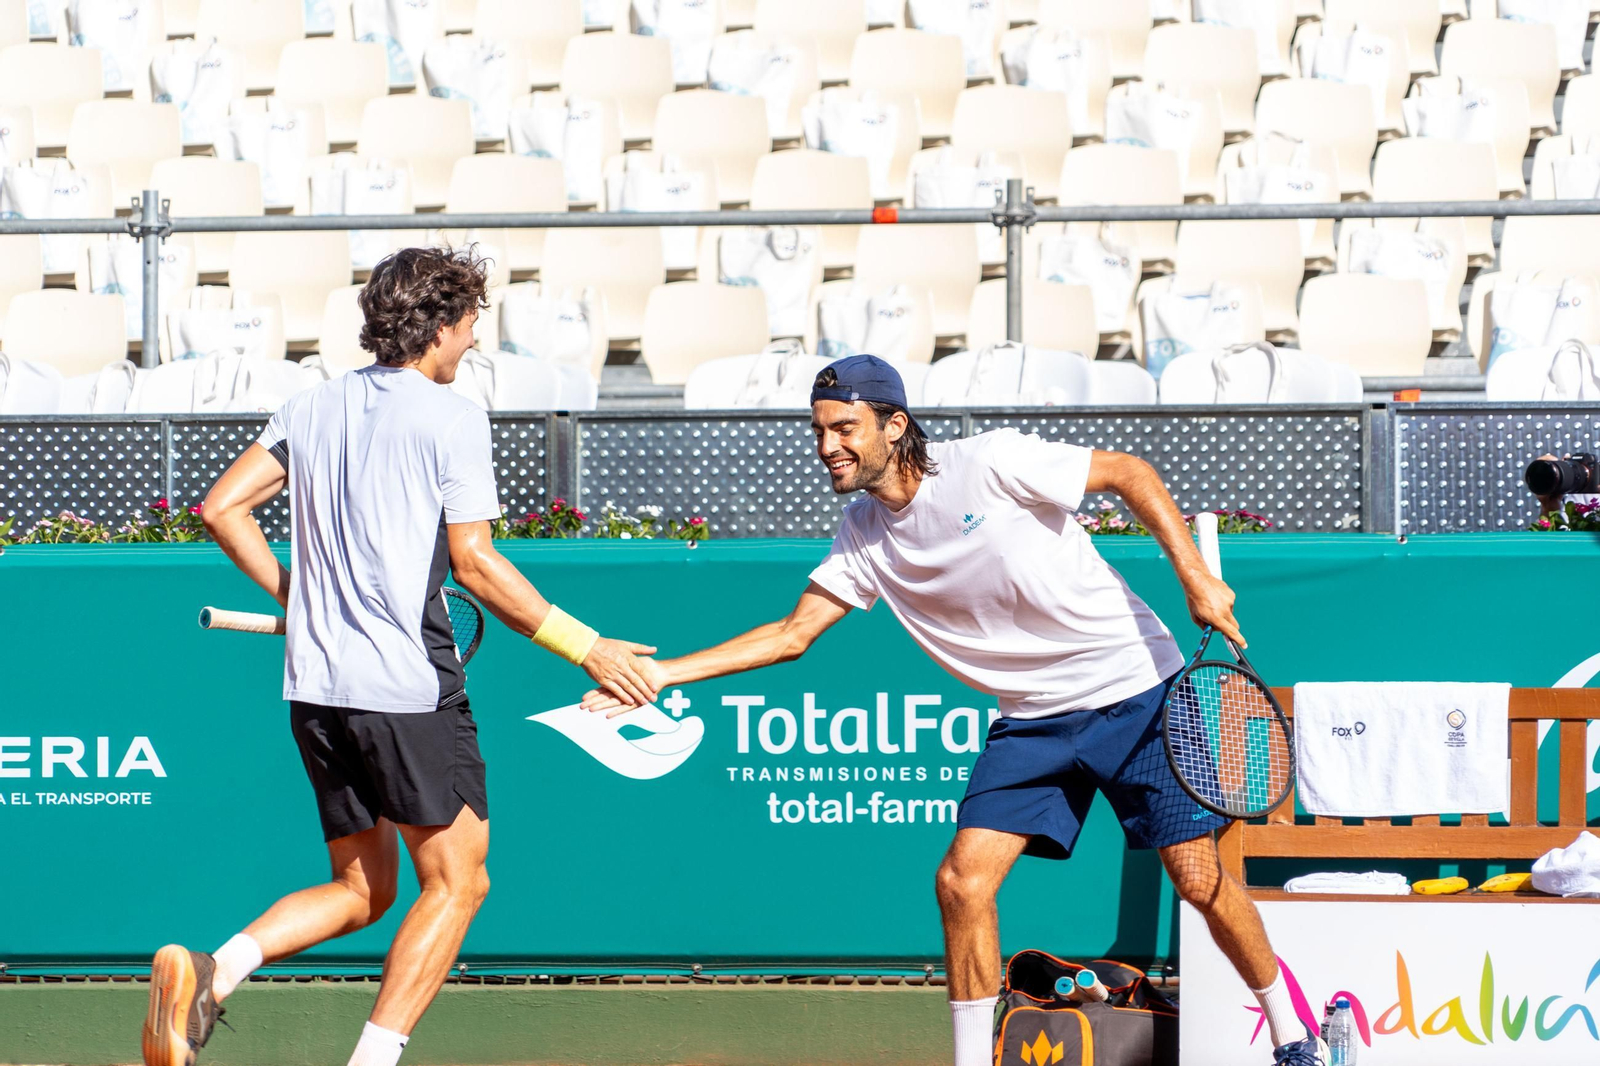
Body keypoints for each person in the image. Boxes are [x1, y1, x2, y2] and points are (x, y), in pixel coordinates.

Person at [582, 355, 1328, 1066]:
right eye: (818, 431)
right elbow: (791, 634)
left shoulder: (990, 461)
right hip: (1032, 720)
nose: (827, 446)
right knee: (962, 882)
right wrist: (660, 675)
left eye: (844, 428)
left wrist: (1195, 578)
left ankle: (1296, 1038)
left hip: (1132, 689)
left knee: (1199, 882)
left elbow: (1128, 473)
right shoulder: (862, 535)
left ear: (894, 426)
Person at [141, 247, 659, 1066]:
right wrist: (584, 646)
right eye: (470, 327)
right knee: (459, 883)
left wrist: (300, 596)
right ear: (441, 326)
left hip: (316, 693)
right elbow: (478, 564)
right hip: (407, 693)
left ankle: (215, 971)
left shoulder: (308, 407)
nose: (473, 343)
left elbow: (220, 508)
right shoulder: (452, 417)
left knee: (365, 891)